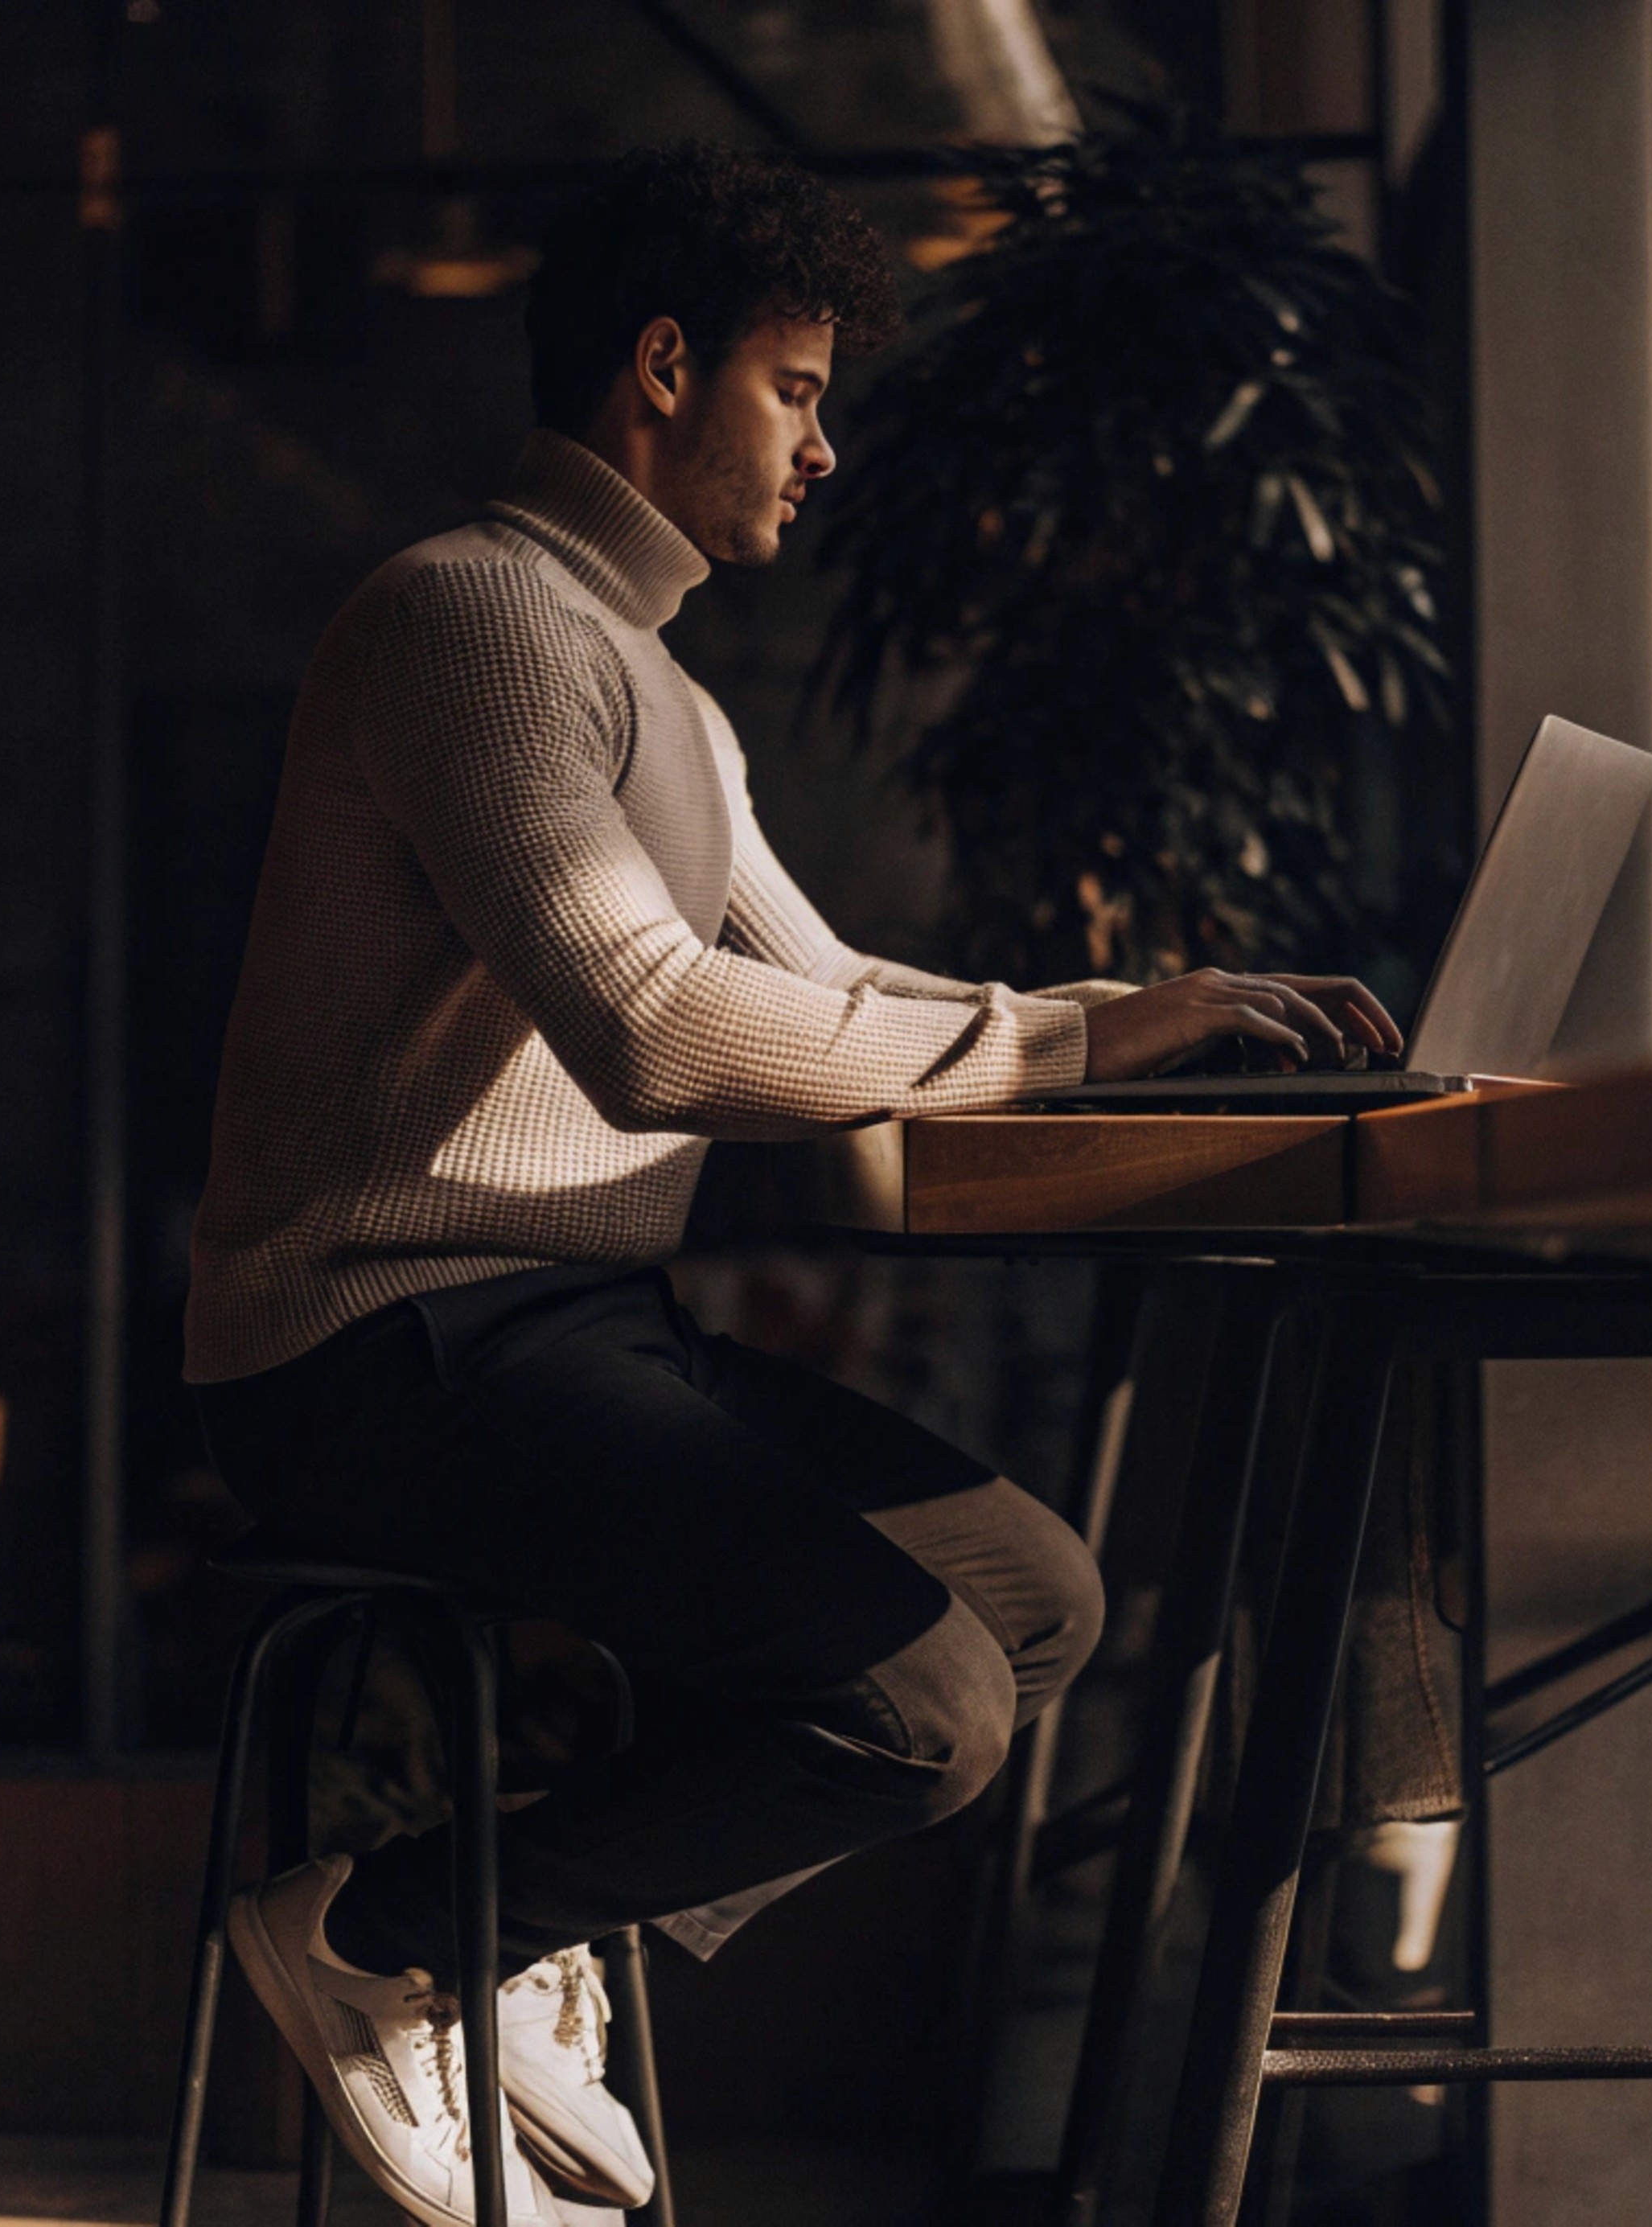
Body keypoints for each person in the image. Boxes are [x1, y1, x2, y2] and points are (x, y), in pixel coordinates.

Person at [184, 141, 1401, 2227]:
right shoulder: (468, 620)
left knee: (1038, 1594)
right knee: (921, 1705)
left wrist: (1135, 1007)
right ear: (665, 367)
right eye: (799, 388)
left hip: (562, 1328)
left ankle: (514, 1927)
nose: (827, 449)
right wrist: (1080, 1037)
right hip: (373, 1342)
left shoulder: (666, 696)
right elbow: (655, 1030)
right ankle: (379, 1927)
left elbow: (834, 1000)